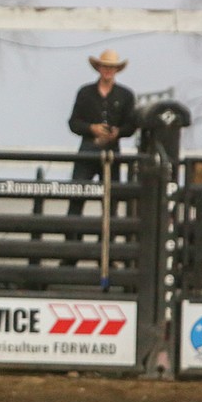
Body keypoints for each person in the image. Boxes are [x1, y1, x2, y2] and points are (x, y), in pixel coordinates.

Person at [64, 49, 137, 261]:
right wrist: (92, 128)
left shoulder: (125, 95)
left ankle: (106, 255)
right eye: (105, 66)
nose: (108, 71)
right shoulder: (85, 93)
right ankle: (71, 253)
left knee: (110, 204)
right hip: (88, 151)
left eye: (111, 67)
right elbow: (73, 123)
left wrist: (117, 133)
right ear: (99, 68)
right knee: (77, 198)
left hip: (111, 154)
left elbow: (131, 125)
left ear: (116, 70)